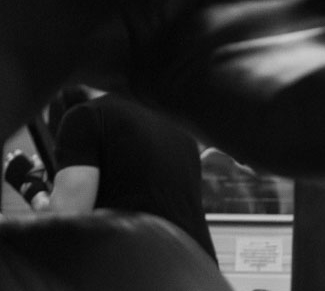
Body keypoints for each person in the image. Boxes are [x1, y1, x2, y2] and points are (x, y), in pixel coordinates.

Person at [4, 85, 217, 261]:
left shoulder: (85, 117)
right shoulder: (177, 125)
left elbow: (64, 228)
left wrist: (31, 188)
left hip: (146, 286)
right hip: (203, 284)